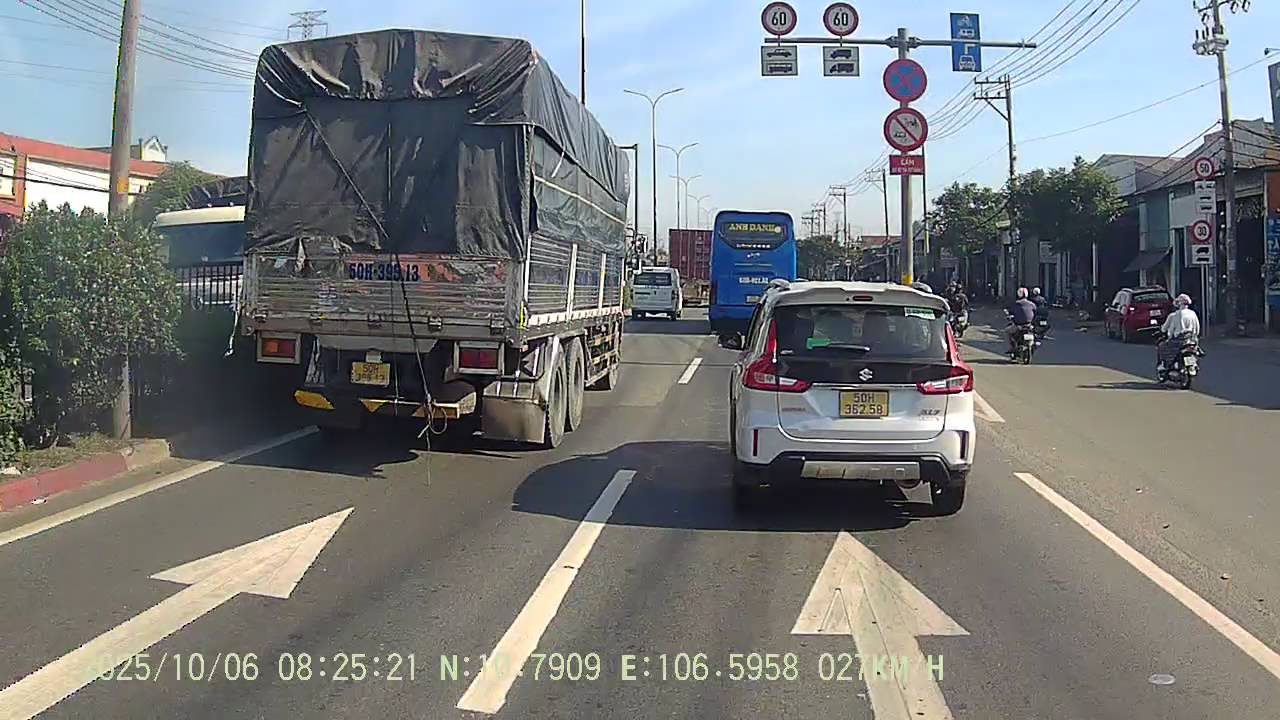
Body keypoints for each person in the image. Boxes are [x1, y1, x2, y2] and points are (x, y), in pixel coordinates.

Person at [1156, 294, 1202, 372]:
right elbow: (1197, 328)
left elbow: (1171, 330)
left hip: (1179, 341)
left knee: (1162, 347)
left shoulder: (1177, 314)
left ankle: (1164, 365)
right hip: (1192, 340)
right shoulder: (1193, 313)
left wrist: (1169, 336)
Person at [1006, 287, 1037, 352]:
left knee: (1008, 331)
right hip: (1029, 325)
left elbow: (1010, 312)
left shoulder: (1016, 304)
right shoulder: (1032, 304)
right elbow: (1035, 312)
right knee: (1034, 333)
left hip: (1018, 325)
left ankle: (1012, 347)